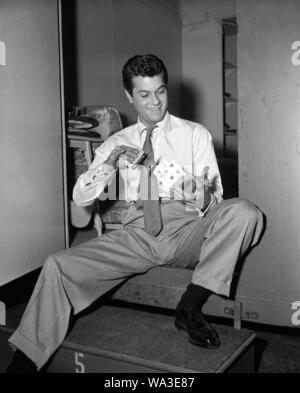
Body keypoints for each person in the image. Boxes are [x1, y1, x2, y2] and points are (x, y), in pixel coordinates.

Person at [7, 54, 264, 373]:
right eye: (144, 94)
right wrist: (102, 172)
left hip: (187, 232)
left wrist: (185, 186)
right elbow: (80, 208)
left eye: (161, 91)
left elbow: (217, 206)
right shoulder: (115, 143)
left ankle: (190, 305)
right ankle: (24, 362)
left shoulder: (194, 134)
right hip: (136, 236)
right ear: (129, 96)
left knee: (245, 212)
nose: (155, 102)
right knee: (56, 265)